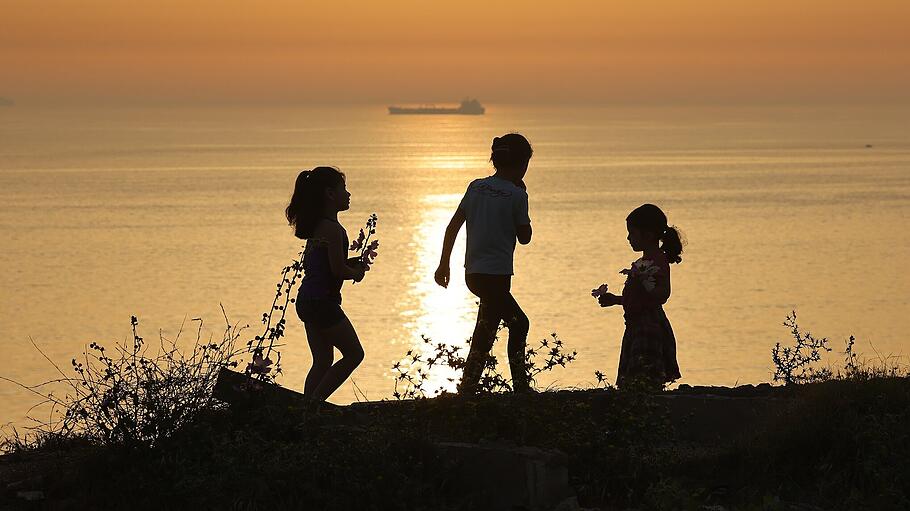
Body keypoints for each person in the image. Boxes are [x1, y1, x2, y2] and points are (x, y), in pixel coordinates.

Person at [435, 134, 534, 394]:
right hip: (496, 275)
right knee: (519, 323)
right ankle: (521, 388)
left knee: (487, 328)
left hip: (475, 274)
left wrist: (444, 264)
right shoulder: (516, 194)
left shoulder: (475, 187)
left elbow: (453, 225)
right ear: (522, 163)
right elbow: (525, 238)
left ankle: (468, 386)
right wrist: (523, 198)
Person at [286, 166, 368, 402]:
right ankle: (314, 406)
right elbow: (337, 270)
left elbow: (323, 265)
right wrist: (356, 273)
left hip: (307, 301)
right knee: (354, 354)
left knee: (322, 361)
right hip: (322, 303)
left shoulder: (319, 227)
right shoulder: (333, 229)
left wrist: (349, 263)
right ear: (330, 194)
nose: (349, 194)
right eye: (344, 189)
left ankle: (304, 411)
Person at [598, 203, 683, 389]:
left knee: (644, 377)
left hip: (648, 326)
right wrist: (616, 300)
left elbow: (662, 295)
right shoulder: (642, 263)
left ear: (648, 235)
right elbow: (640, 299)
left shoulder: (657, 261)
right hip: (636, 326)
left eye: (632, 233)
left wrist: (646, 283)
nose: (628, 238)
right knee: (633, 378)